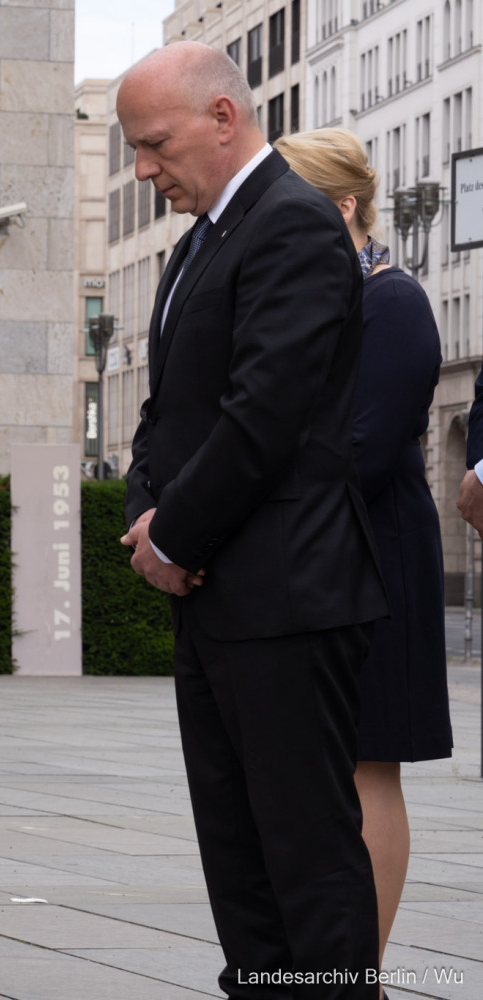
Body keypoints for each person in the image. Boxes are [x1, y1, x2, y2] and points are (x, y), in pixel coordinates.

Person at [116, 44, 387, 999]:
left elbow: (265, 412)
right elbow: (167, 415)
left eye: (154, 145)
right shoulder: (201, 243)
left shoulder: (295, 226)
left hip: (286, 593)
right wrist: (146, 510)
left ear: (224, 118)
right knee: (236, 851)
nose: (144, 171)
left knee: (305, 855)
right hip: (222, 593)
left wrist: (175, 537)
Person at [276, 128, 453, 986]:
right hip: (315, 555)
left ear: (343, 206)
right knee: (320, 772)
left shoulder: (393, 299)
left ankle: (362, 972)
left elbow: (365, 446)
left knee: (367, 763)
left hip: (377, 556)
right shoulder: (309, 296)